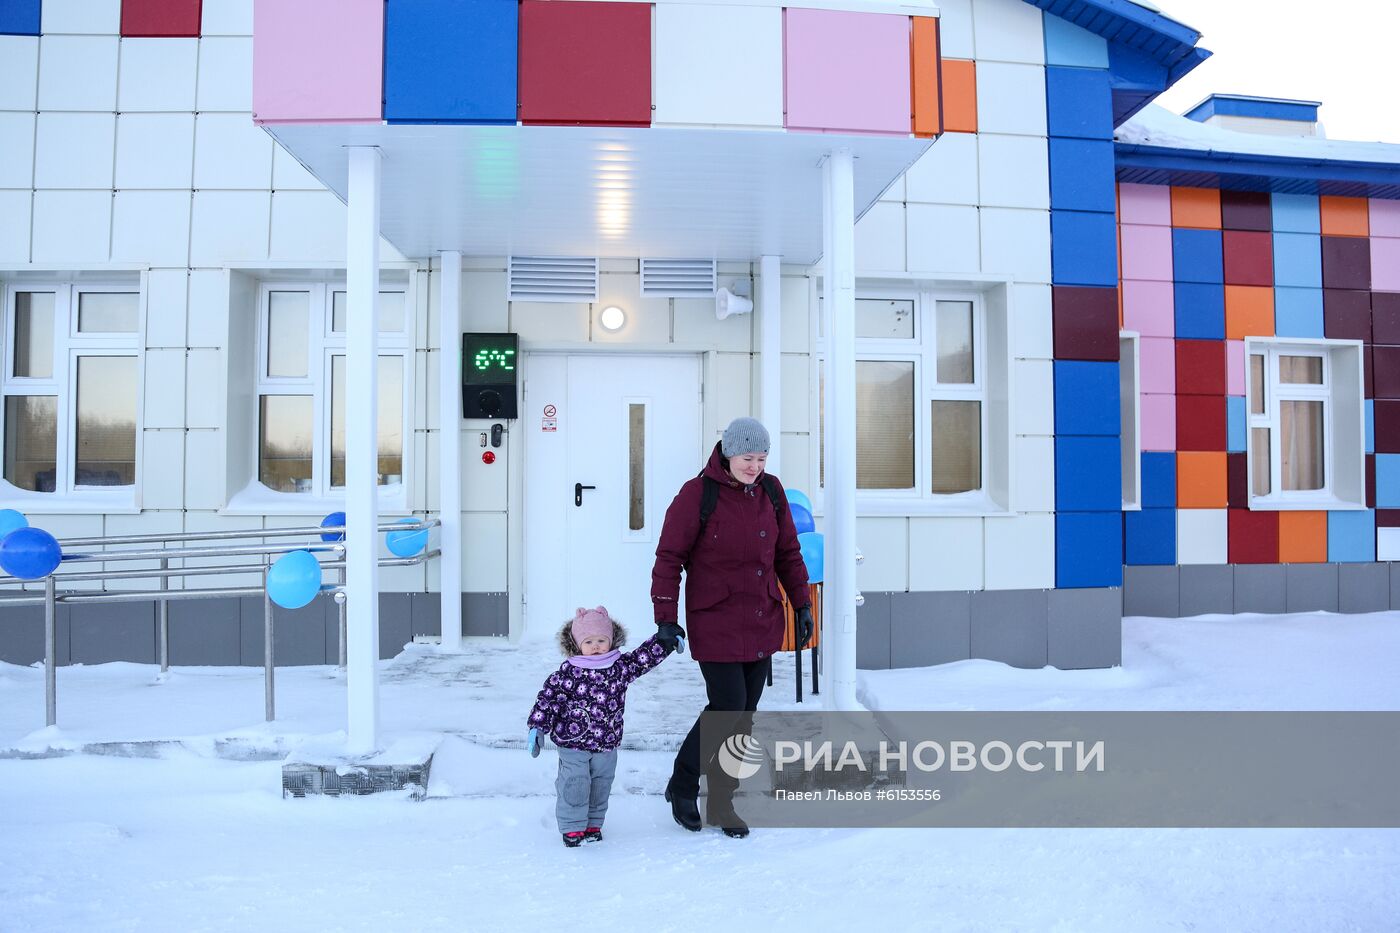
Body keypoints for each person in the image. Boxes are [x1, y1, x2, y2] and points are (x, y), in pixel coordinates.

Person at [651, 416, 814, 838]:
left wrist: (802, 603)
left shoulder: (772, 491)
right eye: (747, 457)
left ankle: (723, 802)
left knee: (745, 717)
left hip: (760, 619)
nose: (754, 466)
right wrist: (665, 619)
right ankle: (683, 783)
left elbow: (789, 553)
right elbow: (669, 558)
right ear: (728, 452)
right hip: (716, 619)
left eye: (761, 458)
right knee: (727, 707)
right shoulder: (697, 495)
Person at [526, 606, 672, 847]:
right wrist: (538, 727)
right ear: (576, 643)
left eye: (601, 640)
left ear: (611, 640)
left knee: (601, 785)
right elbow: (549, 698)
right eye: (589, 641)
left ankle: (593, 824)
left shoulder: (619, 667)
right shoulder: (569, 672)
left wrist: (663, 642)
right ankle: (573, 827)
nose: (595, 646)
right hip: (573, 744)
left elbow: (641, 659)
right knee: (574, 784)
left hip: (607, 742)